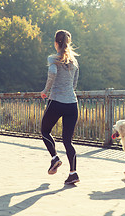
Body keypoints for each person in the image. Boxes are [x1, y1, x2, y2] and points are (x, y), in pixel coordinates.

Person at [40, 29, 80, 185]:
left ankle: (55, 158)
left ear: (56, 43)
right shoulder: (74, 62)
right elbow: (75, 83)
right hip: (72, 103)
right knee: (67, 141)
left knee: (44, 130)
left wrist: (45, 90)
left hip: (56, 101)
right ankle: (73, 173)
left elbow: (52, 72)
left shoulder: (53, 58)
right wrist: (68, 91)